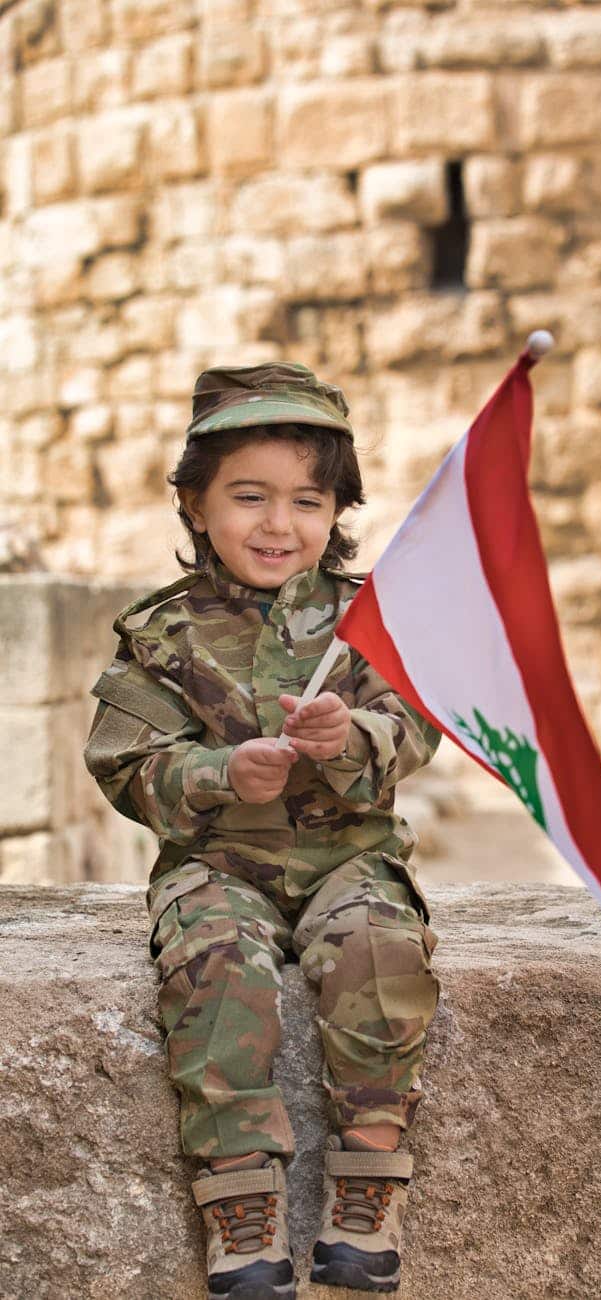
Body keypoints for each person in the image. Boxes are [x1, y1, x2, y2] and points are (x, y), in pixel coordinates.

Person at [83, 362, 442, 1300]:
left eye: (306, 501)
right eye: (249, 497)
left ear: (335, 512)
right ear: (196, 505)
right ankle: (239, 1203)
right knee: (215, 966)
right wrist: (218, 771)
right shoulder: (162, 636)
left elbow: (415, 731)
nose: (278, 525)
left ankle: (367, 1181)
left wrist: (349, 736)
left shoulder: (368, 622)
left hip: (348, 856)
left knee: (378, 951)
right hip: (219, 864)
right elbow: (125, 762)